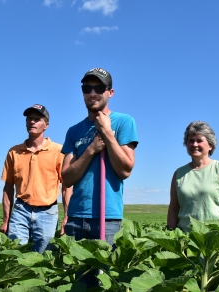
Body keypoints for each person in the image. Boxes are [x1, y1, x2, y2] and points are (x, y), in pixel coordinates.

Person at [61, 68, 138, 287]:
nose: (92, 92)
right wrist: (91, 149)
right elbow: (67, 177)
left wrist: (107, 133)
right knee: (80, 284)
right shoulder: (74, 131)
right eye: (87, 88)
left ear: (110, 92)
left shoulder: (124, 122)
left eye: (99, 88)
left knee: (106, 283)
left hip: (108, 218)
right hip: (77, 218)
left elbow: (125, 170)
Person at [0, 104, 70, 253]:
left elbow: (66, 187)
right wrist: (6, 220)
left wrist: (66, 216)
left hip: (48, 211)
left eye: (37, 119)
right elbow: (8, 187)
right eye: (29, 118)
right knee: (15, 253)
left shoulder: (58, 151)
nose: (32, 122)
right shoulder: (14, 152)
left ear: (46, 125)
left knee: (43, 257)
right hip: (20, 209)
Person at [167, 121, 219, 232]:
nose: (194, 144)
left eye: (199, 140)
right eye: (190, 141)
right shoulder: (179, 173)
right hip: (184, 238)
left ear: (210, 145)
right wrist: (170, 233)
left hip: (214, 236)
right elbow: (174, 208)